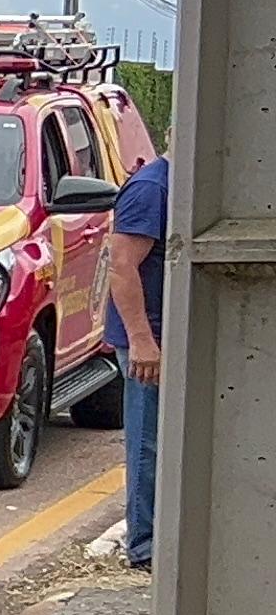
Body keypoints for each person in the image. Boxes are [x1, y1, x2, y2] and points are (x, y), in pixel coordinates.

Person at [108, 153, 171, 569]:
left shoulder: (177, 184)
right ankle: (144, 547)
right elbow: (122, 265)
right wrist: (143, 342)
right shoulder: (152, 188)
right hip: (147, 340)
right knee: (147, 442)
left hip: (167, 335)